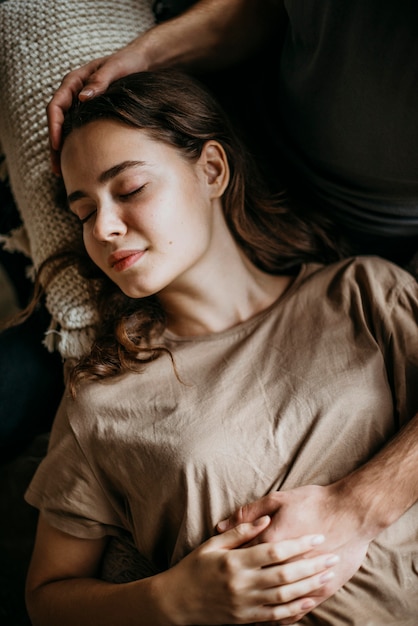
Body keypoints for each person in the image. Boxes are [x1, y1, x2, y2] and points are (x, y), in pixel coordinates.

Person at [44, 0, 418, 619]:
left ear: (212, 169)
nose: (105, 227)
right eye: (83, 213)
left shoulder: (363, 293)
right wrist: (172, 599)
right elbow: (46, 599)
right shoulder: (101, 397)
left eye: (130, 188)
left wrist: (354, 505)